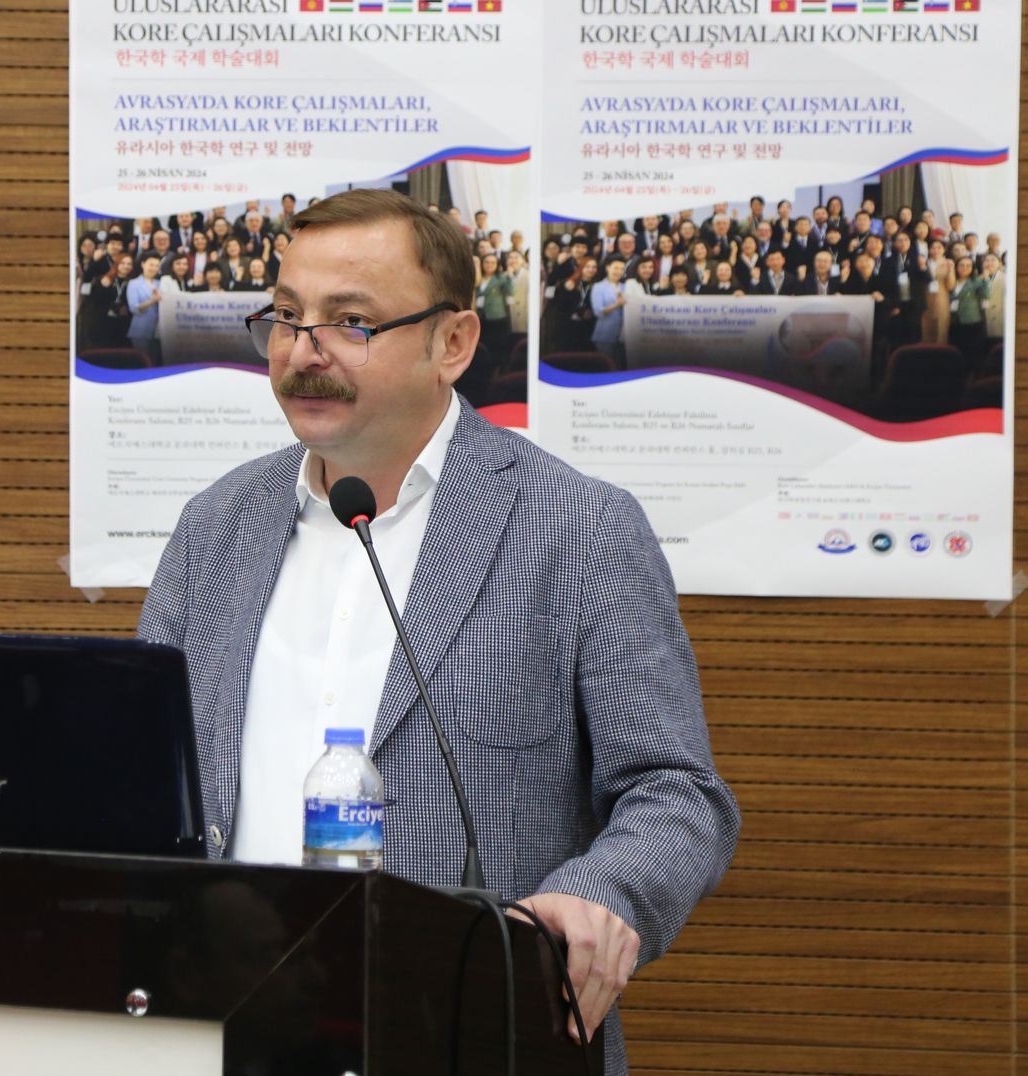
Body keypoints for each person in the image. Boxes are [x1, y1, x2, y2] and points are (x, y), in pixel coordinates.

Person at [137, 189, 738, 1076]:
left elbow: (677, 792)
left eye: (350, 322)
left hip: (471, 1032)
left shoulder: (578, 530)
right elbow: (146, 779)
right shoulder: (216, 527)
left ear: (452, 342)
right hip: (231, 1035)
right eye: (287, 317)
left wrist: (602, 896)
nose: (303, 352)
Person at [126, 253, 164, 363]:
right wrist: (152, 301)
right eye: (151, 265)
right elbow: (134, 308)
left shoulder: (160, 283)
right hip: (140, 330)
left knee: (156, 362)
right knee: (143, 362)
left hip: (158, 331)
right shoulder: (134, 283)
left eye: (157, 266)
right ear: (143, 264)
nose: (154, 268)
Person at [591, 254, 629, 363]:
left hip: (623, 335)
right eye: (616, 268)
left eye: (622, 269)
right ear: (608, 268)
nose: (619, 272)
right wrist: (617, 304)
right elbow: (598, 311)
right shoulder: (598, 287)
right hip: (605, 334)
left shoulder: (625, 287)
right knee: (607, 365)